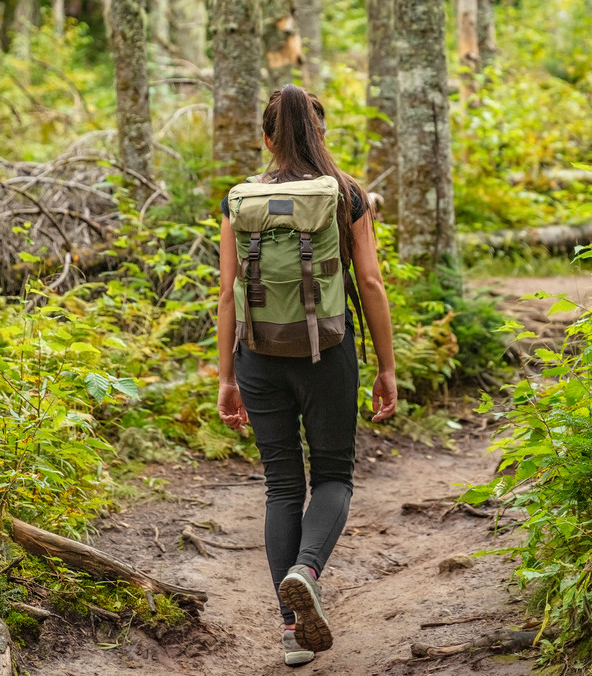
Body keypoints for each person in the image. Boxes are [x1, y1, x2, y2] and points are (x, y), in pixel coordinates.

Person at [215, 84, 398, 667]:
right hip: (328, 354)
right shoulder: (346, 194)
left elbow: (226, 294)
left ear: (266, 138)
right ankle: (307, 569)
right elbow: (369, 283)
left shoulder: (239, 200)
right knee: (335, 477)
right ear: (321, 135)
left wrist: (226, 377)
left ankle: (292, 631)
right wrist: (388, 368)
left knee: (281, 487)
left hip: (258, 353)